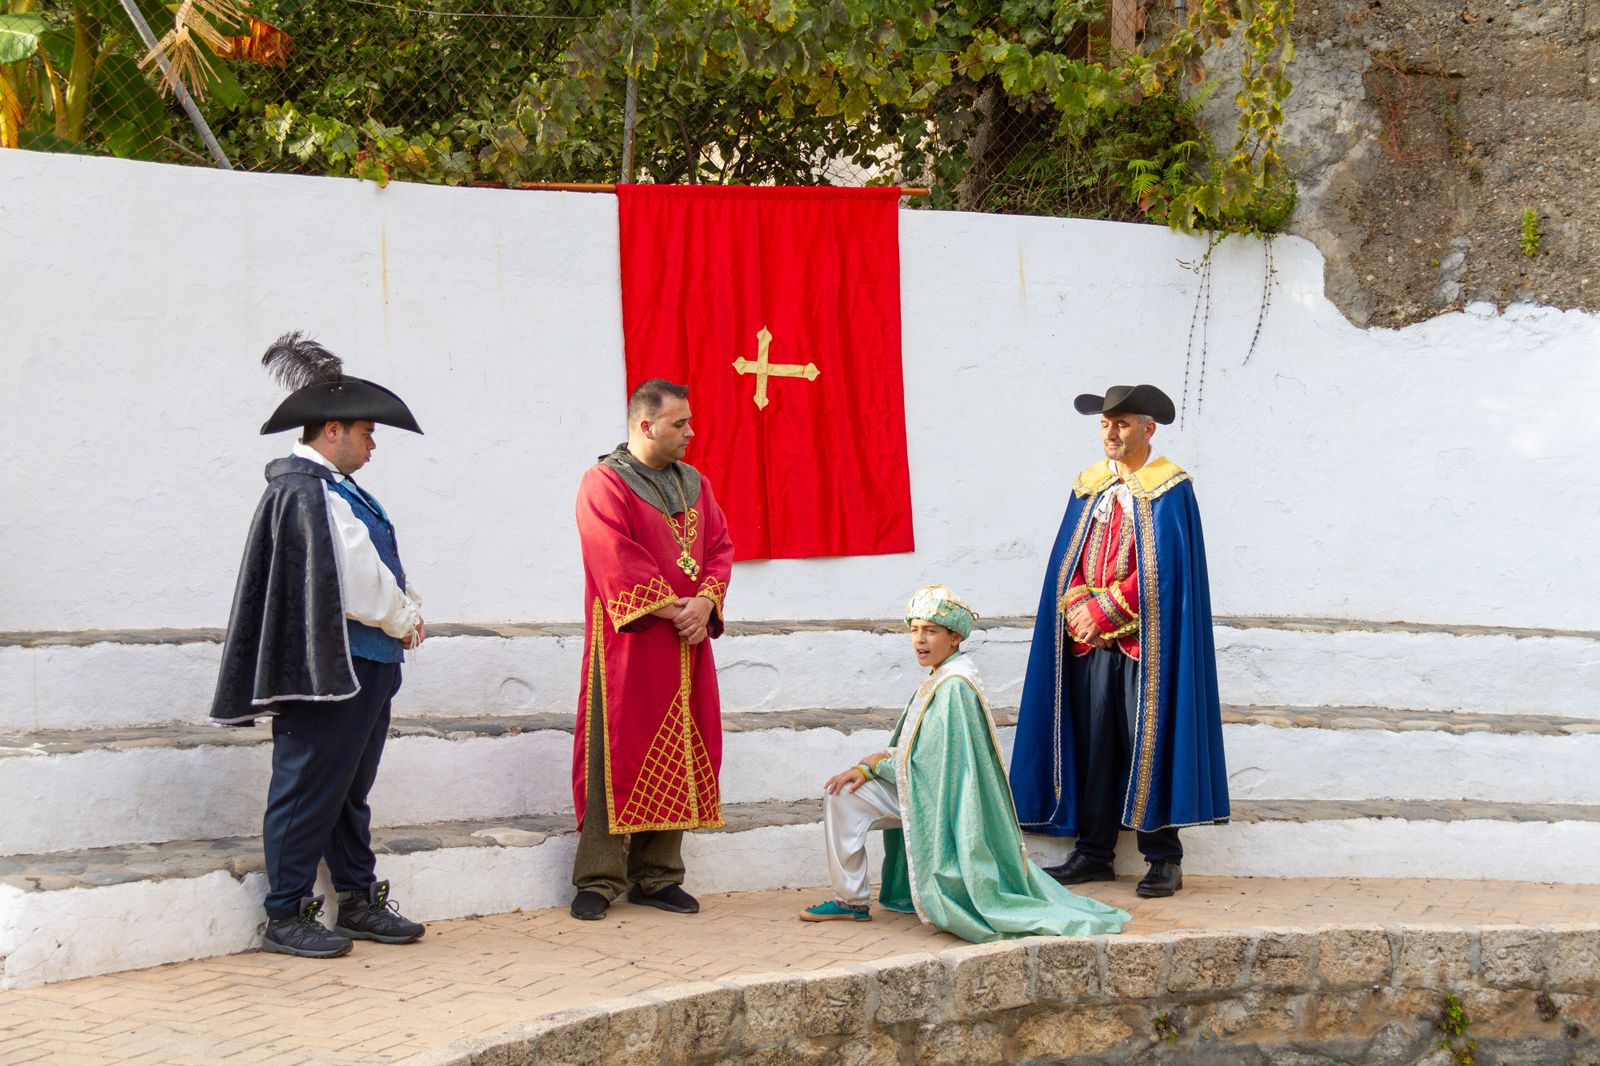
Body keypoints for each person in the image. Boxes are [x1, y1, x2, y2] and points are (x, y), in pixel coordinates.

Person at [210, 332, 429, 958]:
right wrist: (402, 616)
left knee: (347, 791)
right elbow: (356, 582)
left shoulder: (338, 489)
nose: (373, 442)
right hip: (329, 666)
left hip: (368, 663)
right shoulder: (309, 490)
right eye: (366, 431)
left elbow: (375, 566)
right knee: (307, 789)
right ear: (331, 429)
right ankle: (286, 915)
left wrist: (404, 611)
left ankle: (357, 901)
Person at [800, 586, 1129, 942]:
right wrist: (873, 764)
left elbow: (934, 766)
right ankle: (851, 900)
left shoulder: (954, 685)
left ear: (954, 637)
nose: (919, 640)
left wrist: (873, 766)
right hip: (923, 786)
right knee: (843, 794)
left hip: (942, 802)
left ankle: (851, 902)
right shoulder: (942, 674)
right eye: (914, 630)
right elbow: (922, 751)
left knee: (843, 796)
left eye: (931, 631)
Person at [1009, 384, 1228, 899]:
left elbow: (1164, 572)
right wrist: (1080, 608)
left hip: (1144, 647)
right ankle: (1094, 853)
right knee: (1093, 744)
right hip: (1091, 646)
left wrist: (1103, 612)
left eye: (1123, 423)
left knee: (1146, 743)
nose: (1112, 432)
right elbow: (1070, 560)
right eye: (1106, 424)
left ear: (1148, 430)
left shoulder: (1170, 489)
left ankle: (1163, 858)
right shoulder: (1089, 487)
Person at [568, 378, 735, 921]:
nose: (690, 432)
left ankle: (659, 875)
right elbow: (613, 555)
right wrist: (678, 610)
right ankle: (598, 878)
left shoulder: (696, 483)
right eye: (679, 423)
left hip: (687, 643)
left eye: (688, 421)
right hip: (629, 646)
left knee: (682, 748)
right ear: (646, 425)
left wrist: (705, 603)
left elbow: (719, 548)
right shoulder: (603, 483)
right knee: (613, 752)